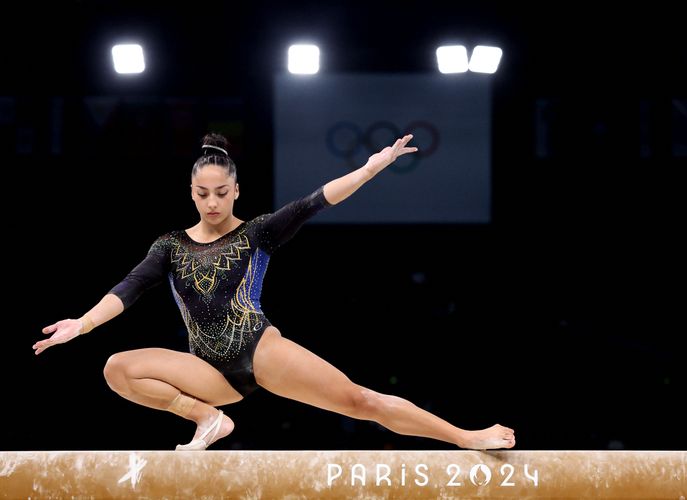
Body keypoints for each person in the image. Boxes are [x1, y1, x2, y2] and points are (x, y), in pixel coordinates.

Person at [33, 133, 515, 451]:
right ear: (191, 192)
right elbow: (129, 287)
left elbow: (315, 201)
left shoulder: (258, 232)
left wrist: (370, 168)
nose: (213, 201)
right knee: (118, 368)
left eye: (222, 191)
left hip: (260, 350)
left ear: (236, 190)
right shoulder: (169, 245)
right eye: (203, 193)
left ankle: (465, 437)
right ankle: (209, 419)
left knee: (361, 402)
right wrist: (83, 322)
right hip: (208, 370)